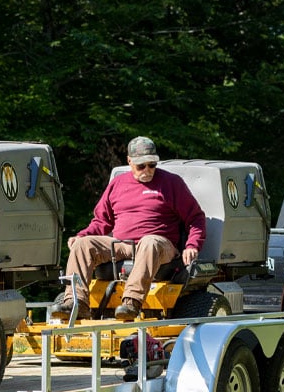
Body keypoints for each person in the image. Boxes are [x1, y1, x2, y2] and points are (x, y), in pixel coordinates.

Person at [52, 136, 206, 321]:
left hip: (160, 246)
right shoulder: (117, 184)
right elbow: (102, 221)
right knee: (82, 245)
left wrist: (192, 245)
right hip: (122, 245)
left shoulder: (172, 183)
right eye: (141, 166)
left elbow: (196, 217)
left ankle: (131, 302)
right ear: (129, 161)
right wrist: (83, 235)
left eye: (152, 165)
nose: (147, 170)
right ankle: (76, 303)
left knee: (149, 241)